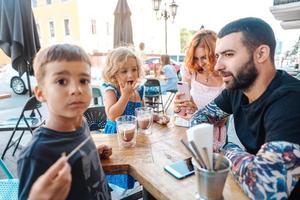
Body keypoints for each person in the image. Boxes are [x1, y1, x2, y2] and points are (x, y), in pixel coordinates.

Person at [190, 17, 300, 199]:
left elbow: (265, 188)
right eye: (218, 56)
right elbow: (199, 118)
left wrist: (227, 151)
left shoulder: (291, 100)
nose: (217, 66)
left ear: (261, 53)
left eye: (228, 54)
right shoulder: (238, 89)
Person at [18, 44, 112, 200]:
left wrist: (93, 153)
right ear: (41, 93)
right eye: (61, 81)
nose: (77, 89)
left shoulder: (82, 123)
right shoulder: (37, 153)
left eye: (83, 80)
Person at [101, 46, 169, 190]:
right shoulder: (110, 89)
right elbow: (112, 115)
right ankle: (121, 190)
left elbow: (141, 112)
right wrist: (125, 95)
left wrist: (156, 117)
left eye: (134, 69)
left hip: (135, 137)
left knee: (141, 168)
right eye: (124, 71)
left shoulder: (139, 90)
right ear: (114, 74)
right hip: (116, 139)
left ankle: (138, 189)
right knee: (123, 171)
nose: (130, 74)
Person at [173, 29, 226, 151]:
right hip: (189, 131)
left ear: (215, 55)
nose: (200, 63)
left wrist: (198, 112)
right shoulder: (190, 71)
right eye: (196, 58)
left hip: (213, 137)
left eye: (204, 57)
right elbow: (183, 112)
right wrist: (178, 107)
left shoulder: (225, 77)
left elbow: (223, 120)